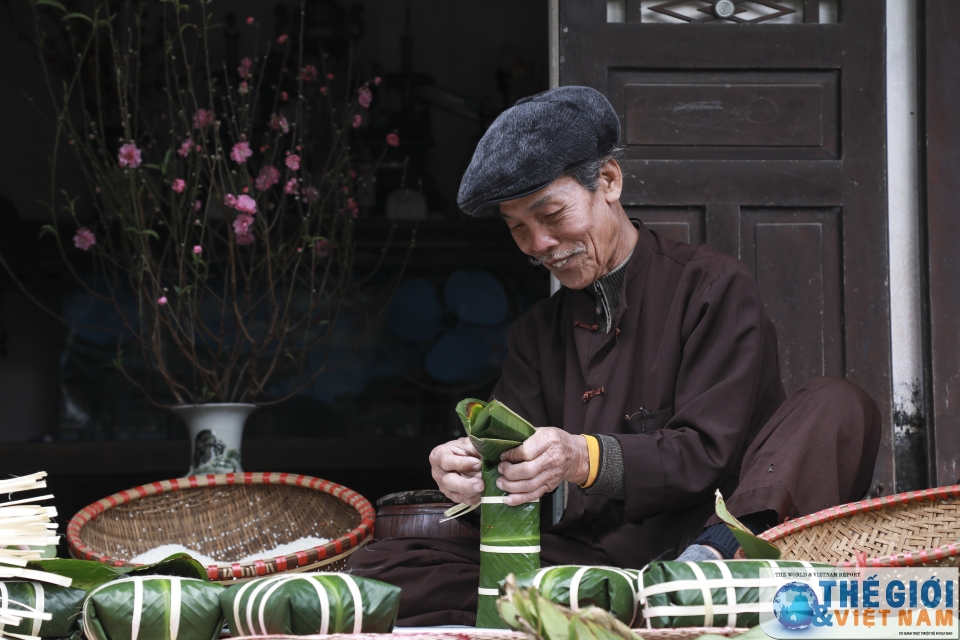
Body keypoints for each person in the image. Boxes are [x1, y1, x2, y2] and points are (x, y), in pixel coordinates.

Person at [345, 86, 881, 626]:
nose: (540, 244)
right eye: (519, 229)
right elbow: (512, 467)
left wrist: (580, 457)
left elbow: (705, 455)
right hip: (591, 556)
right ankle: (641, 602)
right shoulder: (537, 332)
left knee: (837, 403)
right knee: (382, 567)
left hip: (716, 532)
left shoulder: (712, 286)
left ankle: (694, 579)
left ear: (608, 181)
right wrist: (468, 471)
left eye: (552, 214)